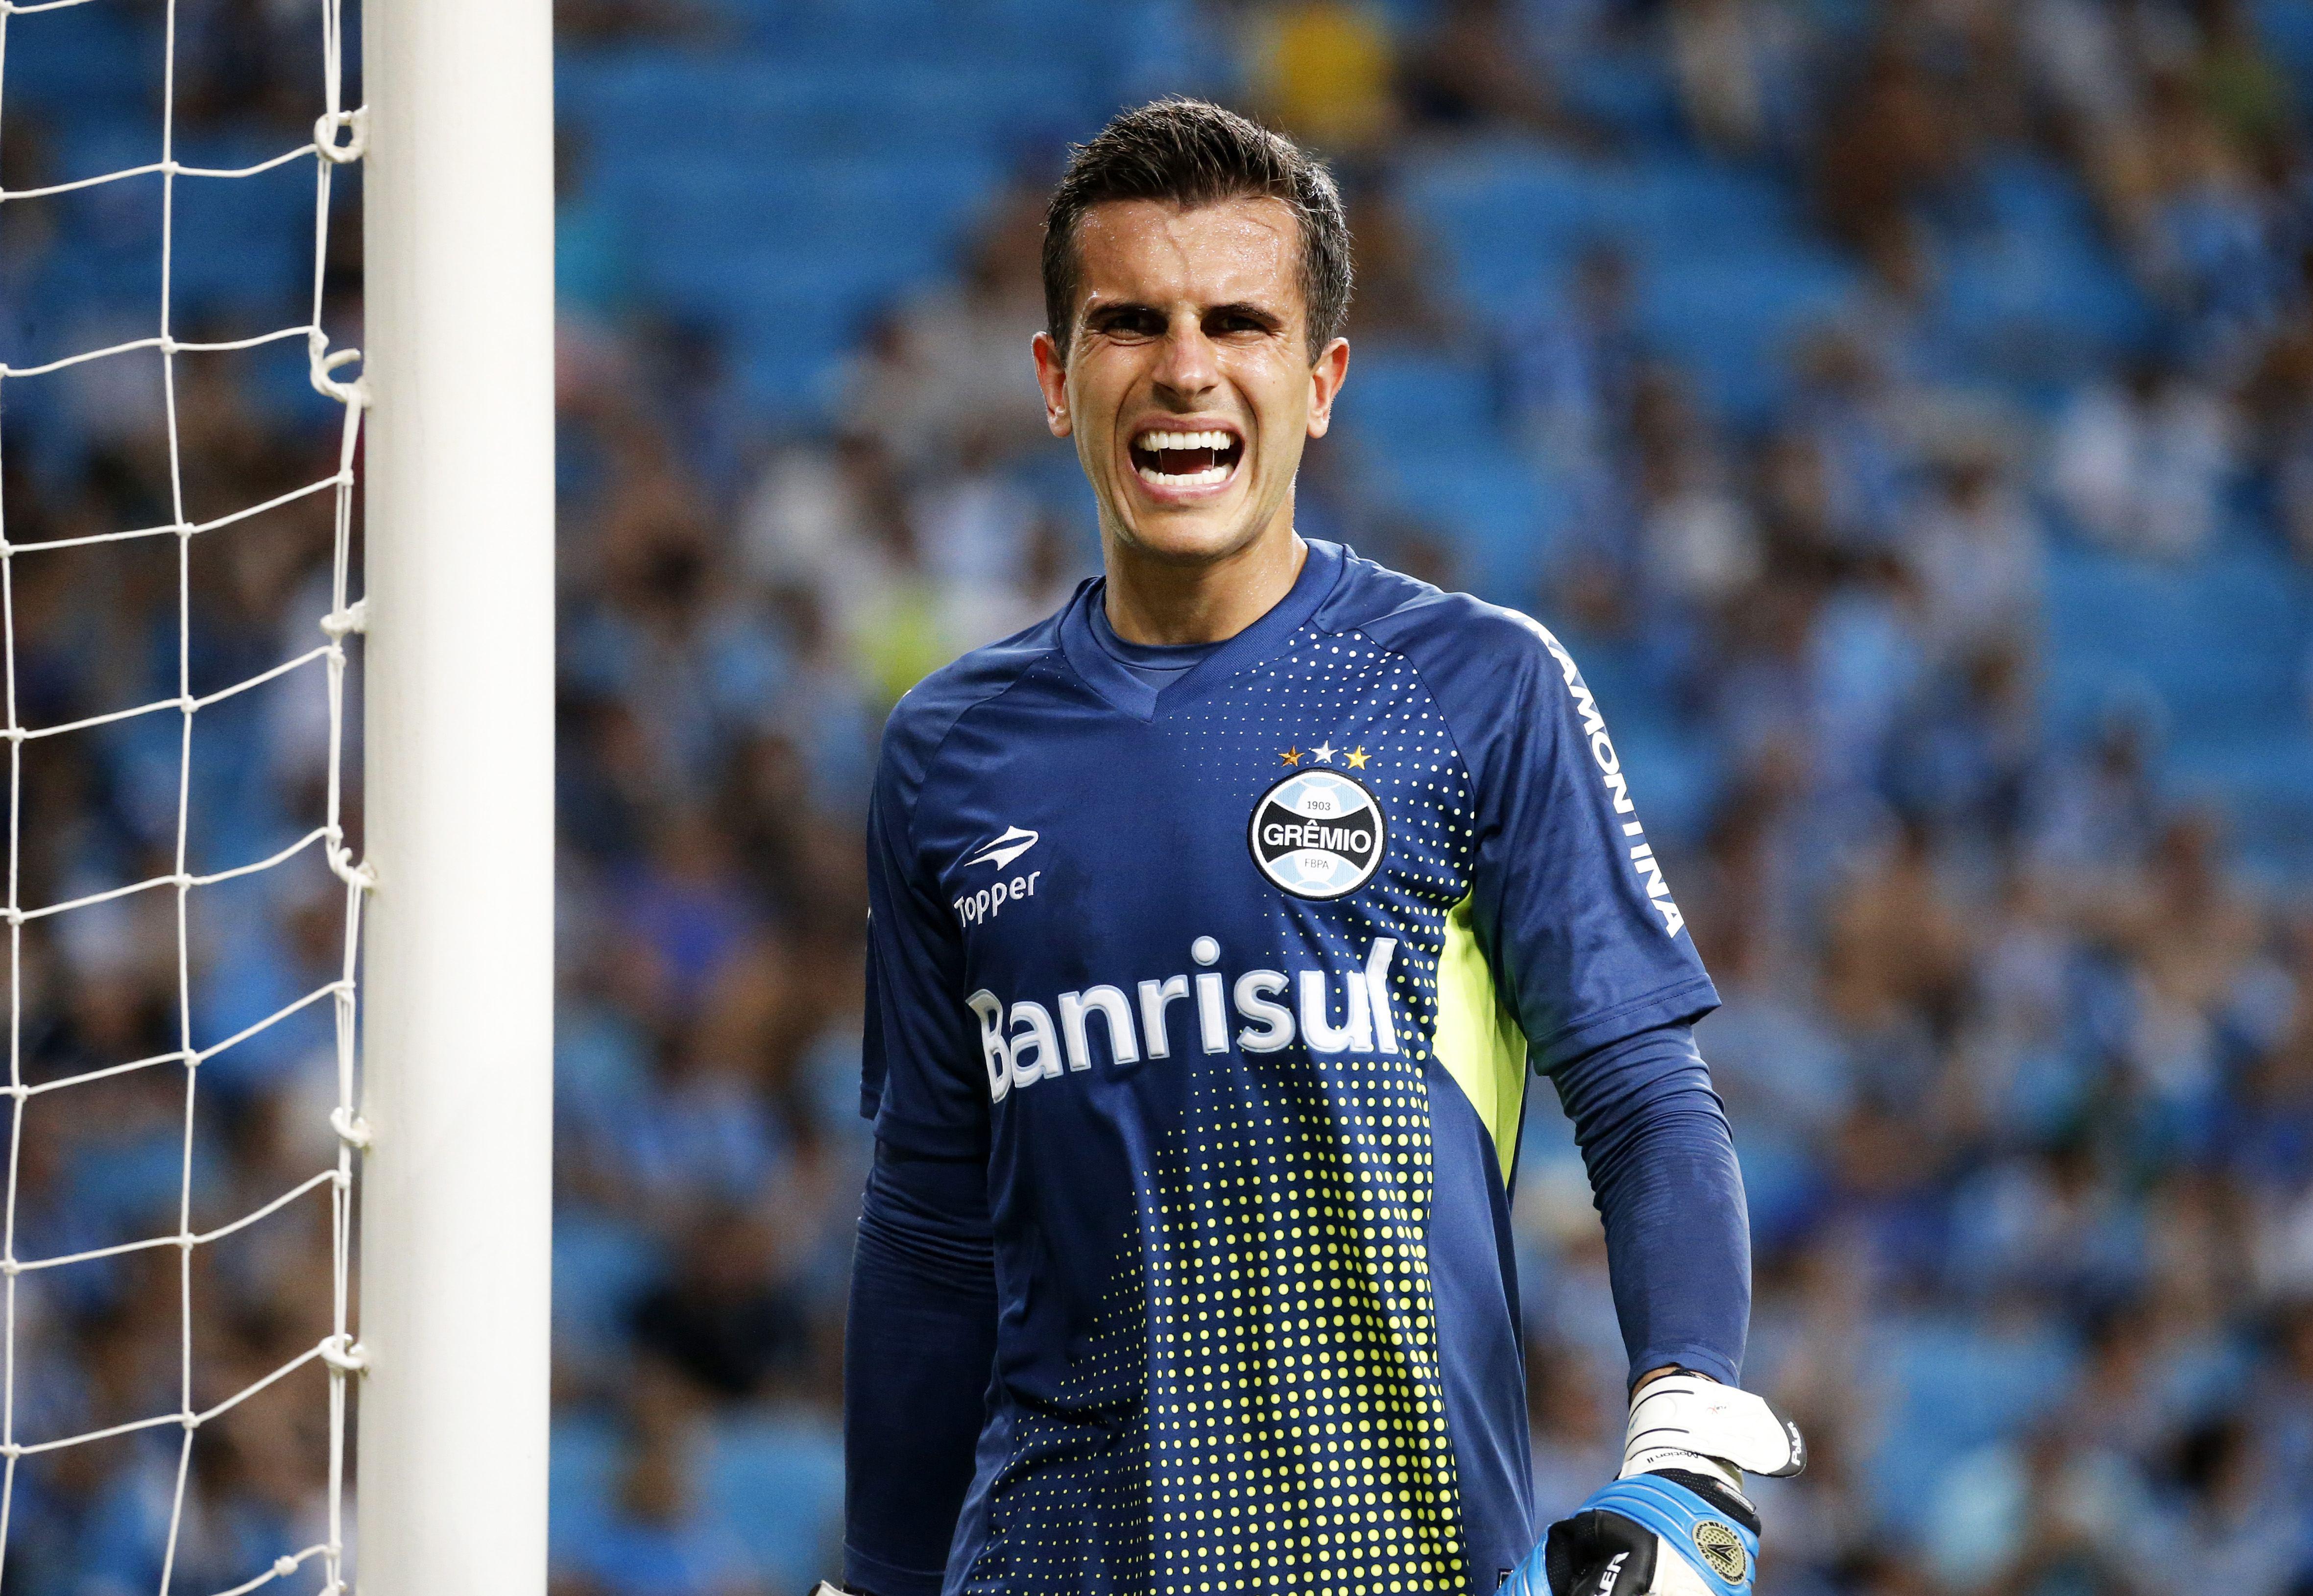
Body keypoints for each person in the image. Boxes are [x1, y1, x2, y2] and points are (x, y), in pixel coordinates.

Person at [826, 99, 1799, 1596]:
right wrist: (873, 1581)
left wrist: (1686, 1439)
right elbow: (930, 1226)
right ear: (1053, 376)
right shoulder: (947, 753)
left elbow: (1642, 1093)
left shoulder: (1478, 686)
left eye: (1237, 321)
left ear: (1322, 377)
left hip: (1397, 1560)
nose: (1184, 369)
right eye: (1128, 321)